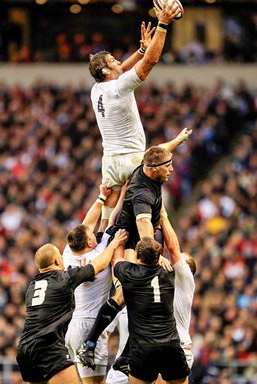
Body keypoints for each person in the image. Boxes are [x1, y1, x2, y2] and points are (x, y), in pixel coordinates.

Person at [77, 131, 192, 370]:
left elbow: (159, 150)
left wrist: (177, 141)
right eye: (167, 166)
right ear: (153, 170)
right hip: (126, 241)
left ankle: (126, 356)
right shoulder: (143, 194)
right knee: (128, 295)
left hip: (133, 241)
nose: (171, 169)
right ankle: (89, 343)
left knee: (139, 297)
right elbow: (143, 224)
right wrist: (153, 253)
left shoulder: (148, 166)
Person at [88, 0, 182, 227]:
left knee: (108, 211)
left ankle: (102, 238)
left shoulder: (97, 88)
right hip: (132, 159)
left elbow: (121, 70)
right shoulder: (119, 87)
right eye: (113, 60)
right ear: (105, 70)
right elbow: (152, 60)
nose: (119, 61)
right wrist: (163, 25)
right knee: (153, 210)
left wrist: (140, 50)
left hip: (110, 160)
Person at [16, 230, 127, 384]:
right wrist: (114, 244)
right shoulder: (64, 278)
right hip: (48, 347)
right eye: (59, 257)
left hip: (24, 349)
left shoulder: (32, 286)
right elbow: (100, 264)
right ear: (56, 261)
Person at [63, 184, 127, 384]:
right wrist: (125, 191)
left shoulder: (69, 252)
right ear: (89, 243)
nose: (95, 234)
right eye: (92, 236)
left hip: (74, 326)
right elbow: (113, 218)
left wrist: (101, 197)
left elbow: (89, 222)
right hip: (90, 327)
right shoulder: (100, 253)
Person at [112, 236, 190, 384]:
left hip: (143, 347)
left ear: (137, 256)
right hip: (170, 344)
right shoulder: (169, 273)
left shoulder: (129, 273)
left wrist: (119, 240)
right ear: (158, 257)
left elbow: (117, 260)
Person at [155, 209, 196, 384]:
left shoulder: (186, 279)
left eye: (181, 260)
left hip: (178, 347)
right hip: (167, 346)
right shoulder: (169, 280)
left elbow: (172, 248)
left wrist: (163, 215)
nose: (175, 261)